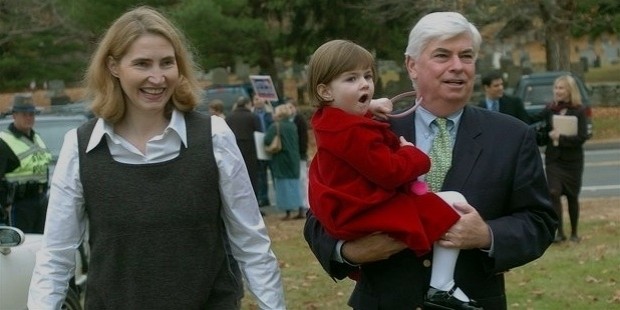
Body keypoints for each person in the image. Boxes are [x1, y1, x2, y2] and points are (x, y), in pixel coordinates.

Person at [28, 6, 285, 309]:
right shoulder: (81, 148)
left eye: (167, 63)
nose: (157, 77)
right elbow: (55, 257)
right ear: (113, 66)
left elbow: (251, 245)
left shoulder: (214, 137)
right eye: (142, 64)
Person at [304, 12, 557, 310]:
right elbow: (320, 214)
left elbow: (540, 222)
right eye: (442, 55)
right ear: (412, 65)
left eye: (466, 56)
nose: (457, 67)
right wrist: (349, 252)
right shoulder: (365, 131)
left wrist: (486, 235)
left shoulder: (512, 136)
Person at [306, 39, 479, 309]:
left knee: (447, 202)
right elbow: (389, 171)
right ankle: (442, 285)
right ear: (412, 65)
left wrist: (368, 105)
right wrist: (415, 156)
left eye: (367, 76)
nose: (364, 84)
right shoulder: (356, 130)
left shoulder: (330, 121)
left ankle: (442, 285)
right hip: (364, 214)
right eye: (351, 78)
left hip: (349, 209)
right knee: (453, 203)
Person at [532, 75, 589, 243]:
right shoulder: (550, 109)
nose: (557, 91)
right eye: (556, 88)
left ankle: (574, 233)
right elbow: (534, 119)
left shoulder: (579, 110)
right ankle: (559, 233)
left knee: (572, 196)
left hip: (572, 161)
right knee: (553, 192)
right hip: (554, 159)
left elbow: (582, 137)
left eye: (561, 88)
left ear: (570, 91)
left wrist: (561, 137)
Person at [0, 97, 51, 233]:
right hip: (19, 205)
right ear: (14, 115)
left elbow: (42, 168)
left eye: (31, 114)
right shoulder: (4, 141)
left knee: (41, 245)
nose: (29, 118)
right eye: (24, 114)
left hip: (41, 201)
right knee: (22, 246)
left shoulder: (36, 138)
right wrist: (4, 205)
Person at [264, 104, 304, 220]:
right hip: (294, 157)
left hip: (281, 158)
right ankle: (300, 208)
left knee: (283, 185)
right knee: (295, 185)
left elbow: (267, 140)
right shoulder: (292, 126)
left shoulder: (275, 126)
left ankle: (288, 211)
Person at [226, 96, 262, 198]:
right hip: (251, 150)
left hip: (234, 151)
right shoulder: (253, 117)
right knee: (252, 178)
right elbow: (259, 134)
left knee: (237, 178)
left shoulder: (229, 117)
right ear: (247, 104)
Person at [286, 100, 309, 218]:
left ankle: (305, 206)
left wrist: (302, 152)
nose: (288, 110)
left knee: (302, 180)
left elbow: (303, 138)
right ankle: (301, 205)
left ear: (295, 107)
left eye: (290, 107)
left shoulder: (299, 119)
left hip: (300, 154)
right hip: (296, 155)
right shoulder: (290, 120)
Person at [253, 95, 274, 207]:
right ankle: (264, 198)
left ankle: (279, 197)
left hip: (271, 146)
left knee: (274, 172)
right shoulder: (252, 114)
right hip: (258, 147)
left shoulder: (269, 113)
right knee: (261, 175)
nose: (258, 101)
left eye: (260, 98)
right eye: (256, 99)